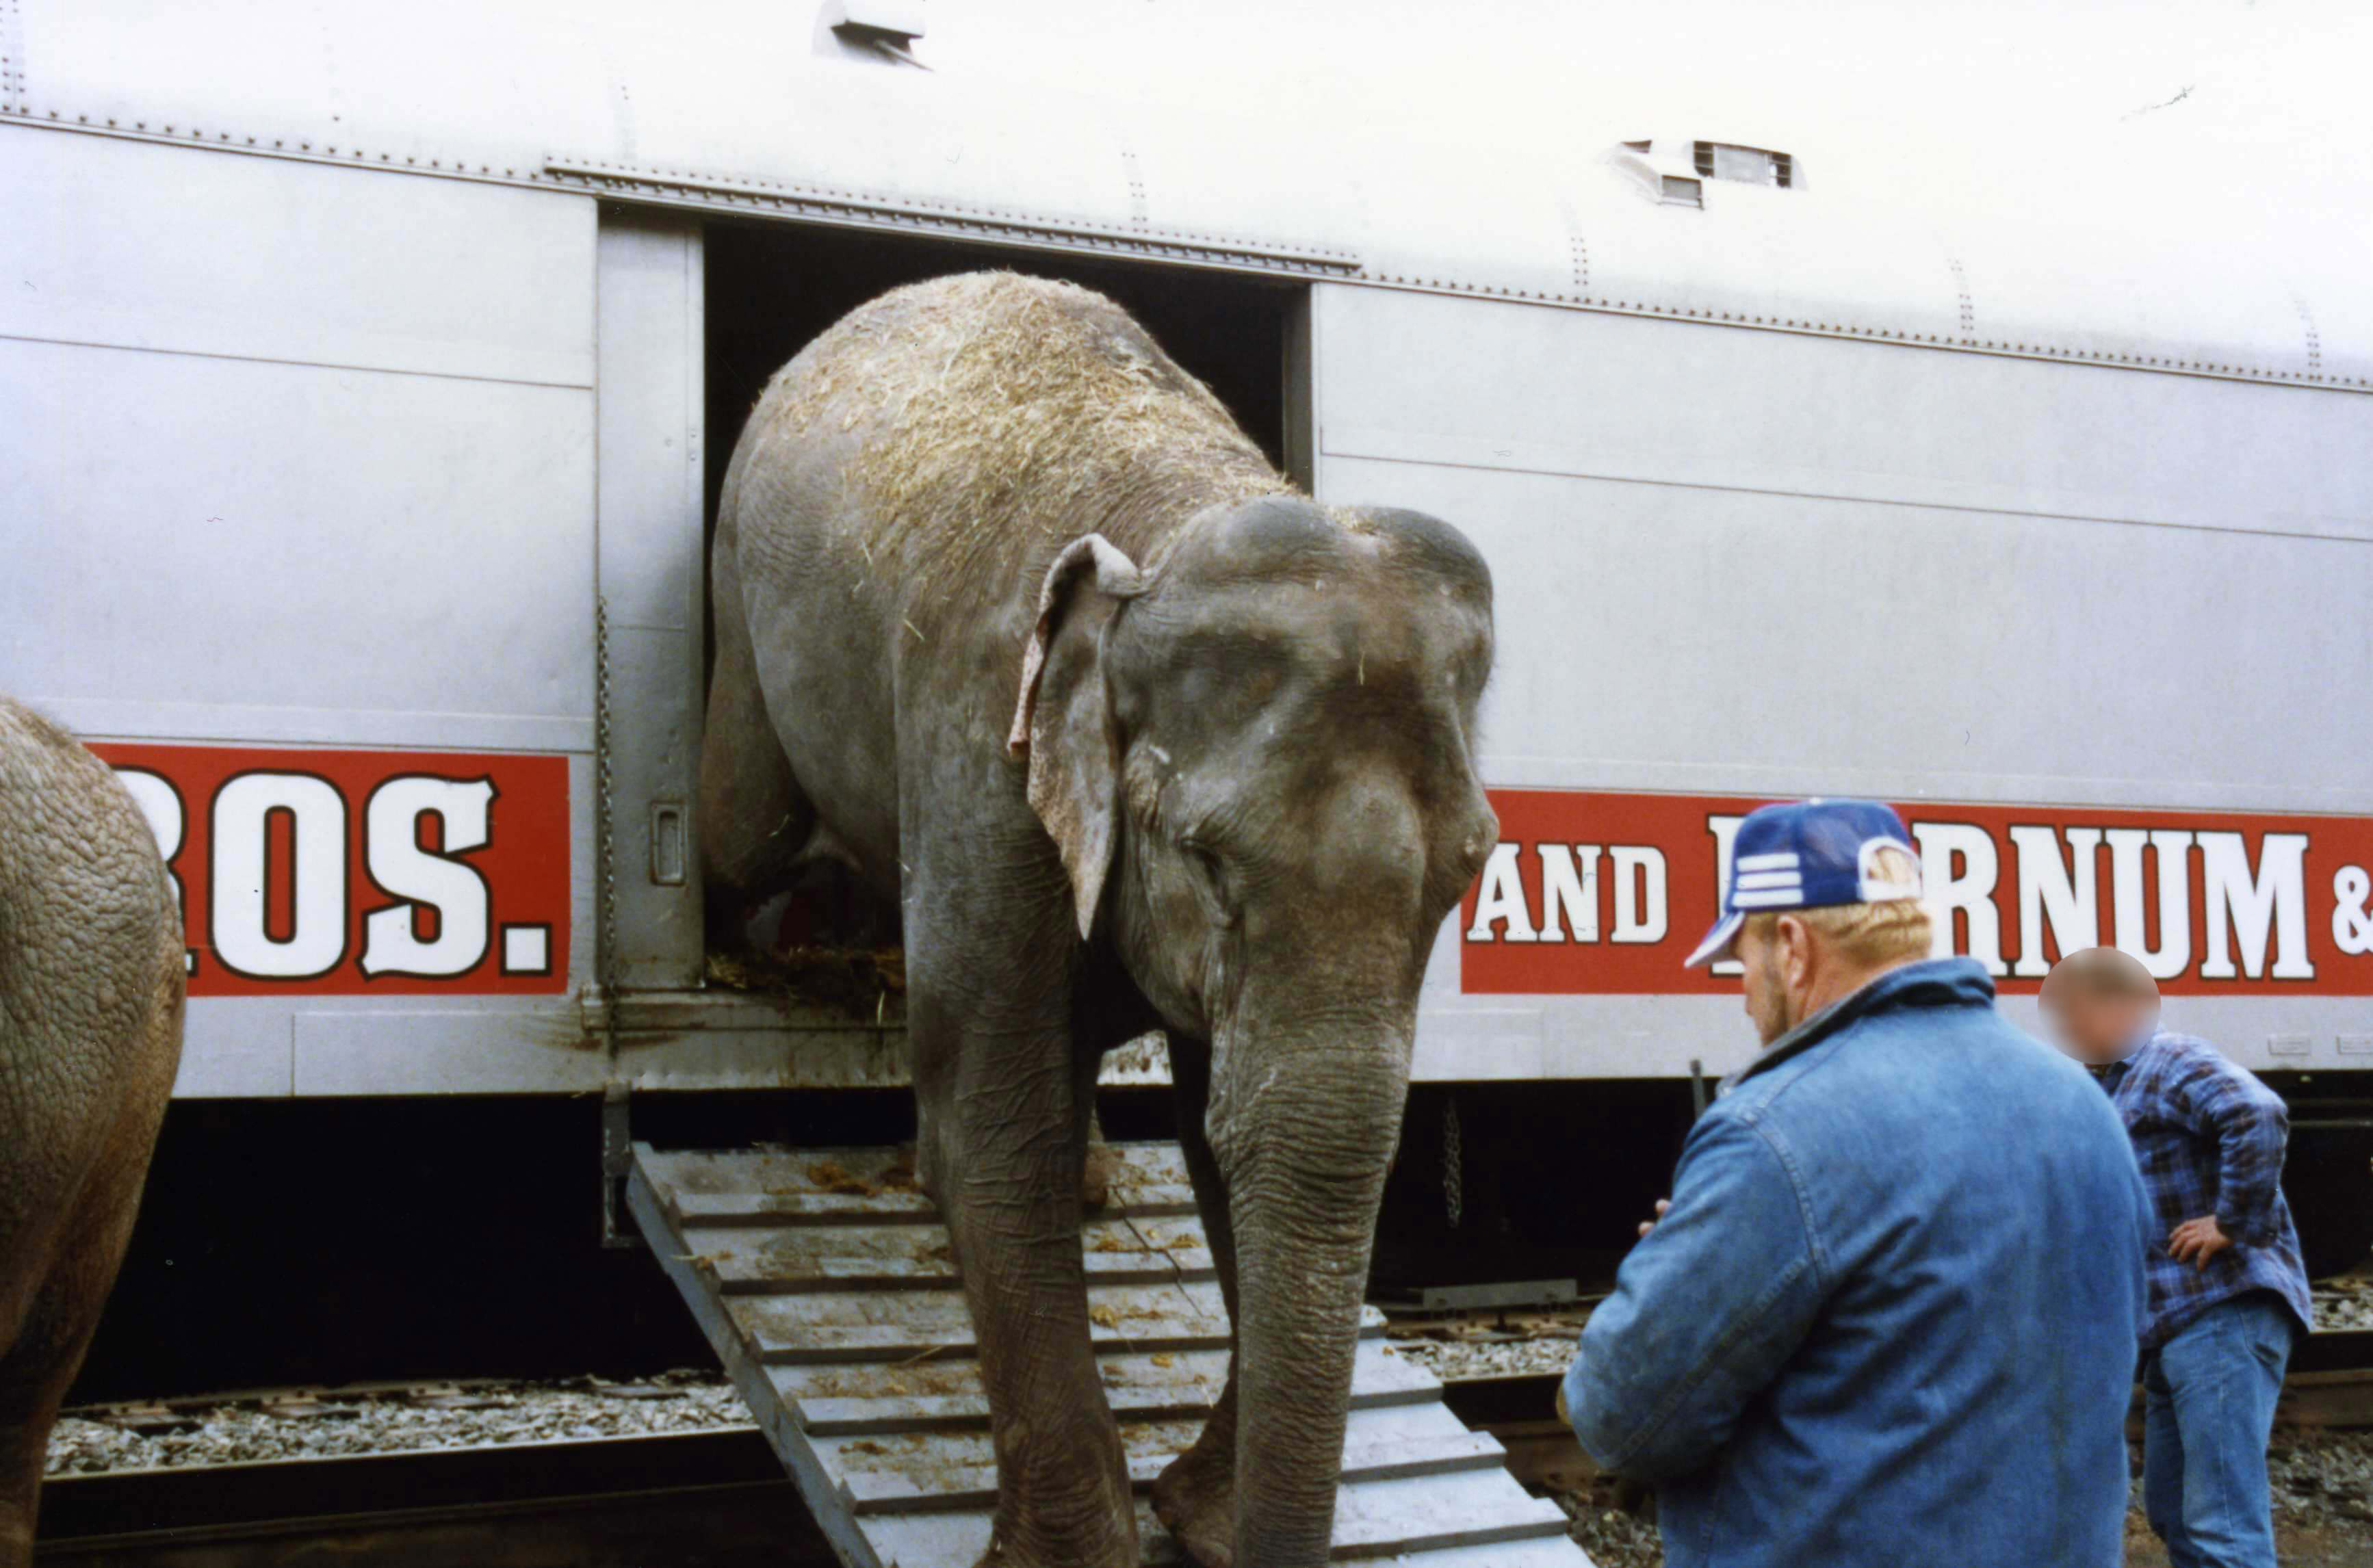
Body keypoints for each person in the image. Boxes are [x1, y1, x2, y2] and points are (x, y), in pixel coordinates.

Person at [1560, 799, 2151, 1568]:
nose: (1741, 992)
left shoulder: (1774, 1133)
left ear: (1793, 948)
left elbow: (1622, 1417)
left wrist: (1676, 1268)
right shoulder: (2083, 1106)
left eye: (1741, 957)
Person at [2040, 946, 2312, 1568]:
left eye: (2075, 1016)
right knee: (2174, 1512)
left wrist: (2235, 1223)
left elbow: (2257, 1111)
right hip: (2180, 1326)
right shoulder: (2114, 1084)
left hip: (2221, 1310)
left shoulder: (2168, 1058)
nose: (2068, 1034)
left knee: (2221, 1527)